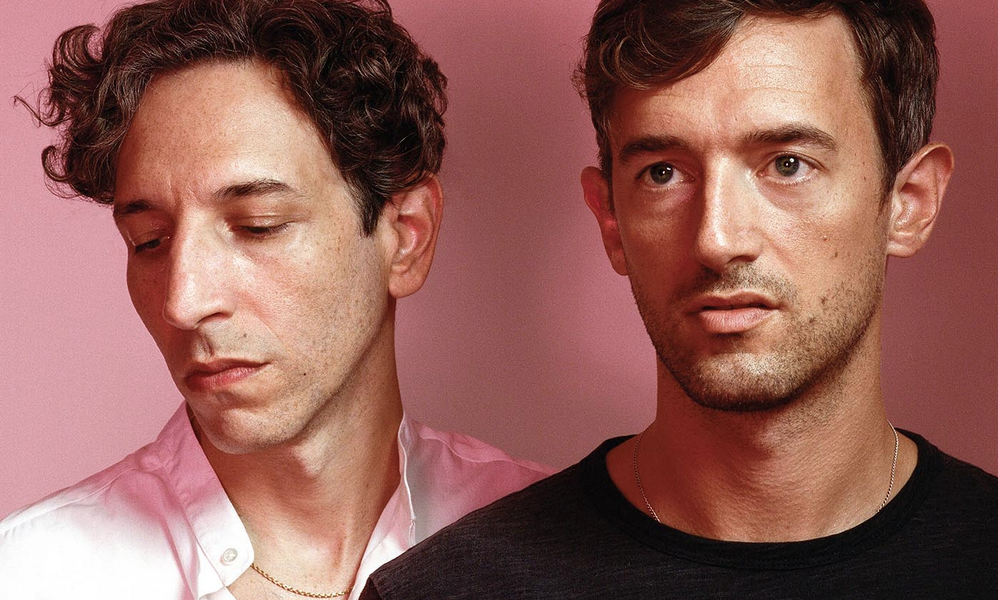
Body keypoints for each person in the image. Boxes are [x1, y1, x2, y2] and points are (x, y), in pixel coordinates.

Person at [361, 1, 998, 597]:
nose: (716, 239)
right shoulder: (452, 589)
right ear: (611, 220)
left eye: (787, 164)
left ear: (909, 204)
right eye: (662, 173)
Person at [0, 1, 550, 598]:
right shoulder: (31, 576)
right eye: (149, 241)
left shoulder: (557, 547)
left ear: (405, 237)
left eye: (257, 225)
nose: (183, 302)